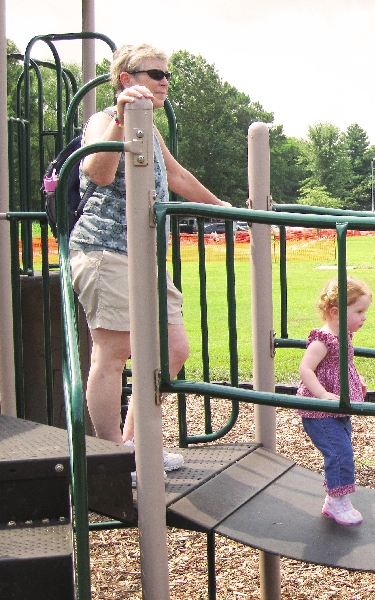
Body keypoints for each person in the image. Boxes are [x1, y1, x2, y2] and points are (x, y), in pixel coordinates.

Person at [69, 44, 231, 475]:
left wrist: (225, 211)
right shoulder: (105, 121)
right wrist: (122, 117)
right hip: (104, 250)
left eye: (166, 75)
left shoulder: (152, 131)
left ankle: (135, 444)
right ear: (126, 79)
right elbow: (98, 173)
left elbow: (176, 176)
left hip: (142, 255)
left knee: (174, 347)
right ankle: (113, 456)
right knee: (113, 351)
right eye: (154, 74)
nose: (164, 82)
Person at [296, 276, 372, 525]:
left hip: (338, 406)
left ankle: (336, 499)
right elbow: (305, 369)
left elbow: (345, 364)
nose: (364, 317)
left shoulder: (345, 335)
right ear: (335, 312)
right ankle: (336, 501)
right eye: (359, 311)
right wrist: (322, 396)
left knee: (343, 450)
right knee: (340, 454)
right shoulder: (322, 340)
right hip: (320, 411)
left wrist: (356, 379)